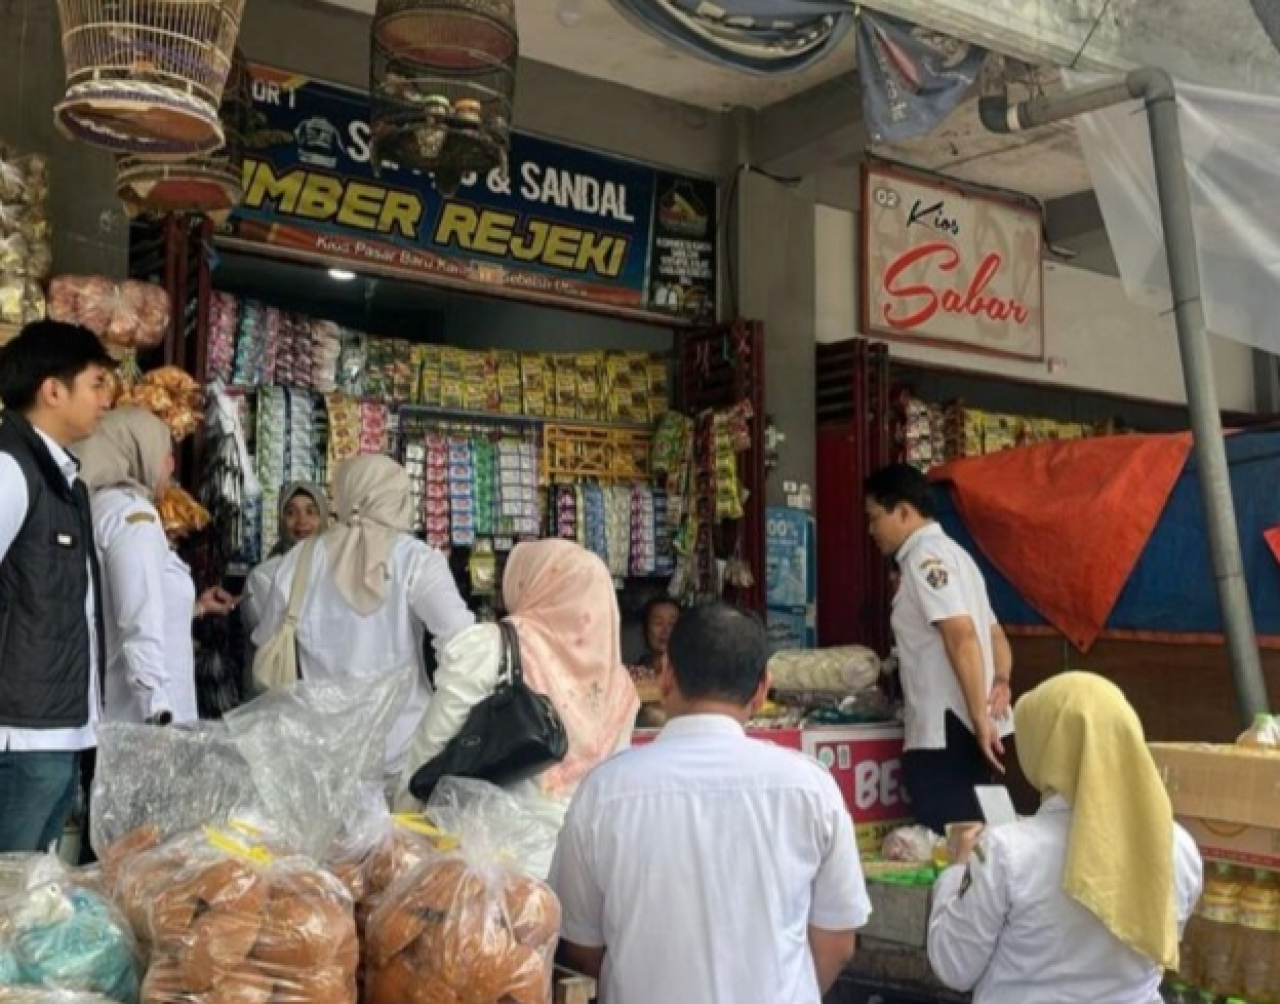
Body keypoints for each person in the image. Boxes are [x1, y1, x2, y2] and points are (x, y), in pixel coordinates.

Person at [549, 602, 871, 1004]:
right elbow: (837, 944)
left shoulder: (605, 791)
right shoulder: (810, 787)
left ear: (665, 677)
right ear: (762, 689)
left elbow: (582, 949)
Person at [928, 672, 1203, 1004]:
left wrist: (957, 870)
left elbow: (954, 966)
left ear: (1043, 748)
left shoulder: (1006, 851)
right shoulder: (1179, 847)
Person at [399, 539, 639, 878]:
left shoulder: (490, 647)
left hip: (494, 862)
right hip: (586, 863)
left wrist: (403, 820)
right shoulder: (619, 685)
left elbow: (433, 743)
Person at [252, 454, 474, 785]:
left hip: (325, 757)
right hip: (405, 750)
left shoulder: (299, 560)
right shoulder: (416, 560)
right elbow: (463, 644)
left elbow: (266, 638)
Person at [0, 320, 114, 853]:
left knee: (29, 904)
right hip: (18, 734)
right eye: (96, 384)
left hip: (56, 730)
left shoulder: (61, 480)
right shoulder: (11, 468)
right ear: (52, 390)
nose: (105, 400)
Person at [865, 463, 1015, 833]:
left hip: (947, 732)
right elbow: (995, 635)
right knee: (978, 846)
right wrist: (1001, 680)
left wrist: (980, 720)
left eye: (874, 518)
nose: (871, 531)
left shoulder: (924, 559)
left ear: (903, 511)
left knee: (948, 849)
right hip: (971, 728)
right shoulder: (960, 557)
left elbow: (961, 635)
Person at [76, 407, 237, 726]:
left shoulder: (94, 508)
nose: (171, 465)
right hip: (138, 719)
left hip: (109, 710)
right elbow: (138, 619)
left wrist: (194, 609)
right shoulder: (135, 516)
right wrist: (158, 710)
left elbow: (114, 604)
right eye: (165, 453)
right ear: (139, 453)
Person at [241, 482, 329, 637]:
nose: (302, 521)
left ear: (323, 518)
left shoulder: (336, 570)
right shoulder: (264, 576)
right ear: (281, 521)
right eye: (291, 513)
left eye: (310, 512)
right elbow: (266, 637)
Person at [634, 595, 680, 676]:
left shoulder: (690, 675)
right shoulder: (632, 674)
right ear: (645, 629)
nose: (666, 631)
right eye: (658, 623)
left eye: (672, 624)